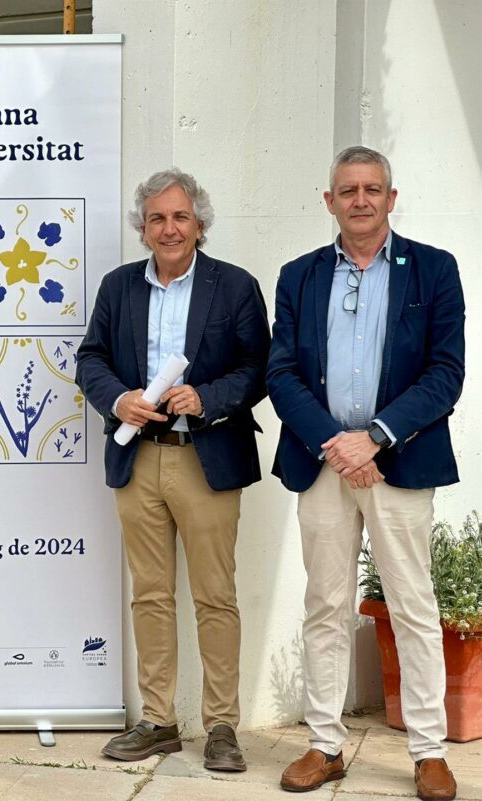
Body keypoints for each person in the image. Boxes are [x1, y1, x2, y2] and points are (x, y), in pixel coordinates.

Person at [270, 146, 464, 801]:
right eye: (348, 190)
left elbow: (446, 373)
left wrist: (374, 437)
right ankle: (325, 744)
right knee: (324, 604)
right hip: (324, 462)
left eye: (372, 189)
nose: (360, 199)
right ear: (330, 201)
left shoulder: (434, 270)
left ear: (390, 197)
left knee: (412, 605)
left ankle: (429, 751)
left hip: (399, 462)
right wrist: (337, 444)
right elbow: (281, 373)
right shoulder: (298, 276)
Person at [76, 168, 269, 771]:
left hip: (206, 459)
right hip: (137, 459)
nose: (169, 228)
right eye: (156, 218)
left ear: (199, 224)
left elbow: (259, 368)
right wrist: (117, 400)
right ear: (142, 228)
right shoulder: (118, 287)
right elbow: (90, 359)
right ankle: (159, 721)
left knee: (215, 597)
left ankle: (222, 727)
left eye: (180, 216)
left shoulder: (234, 286)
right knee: (151, 595)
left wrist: (206, 397)